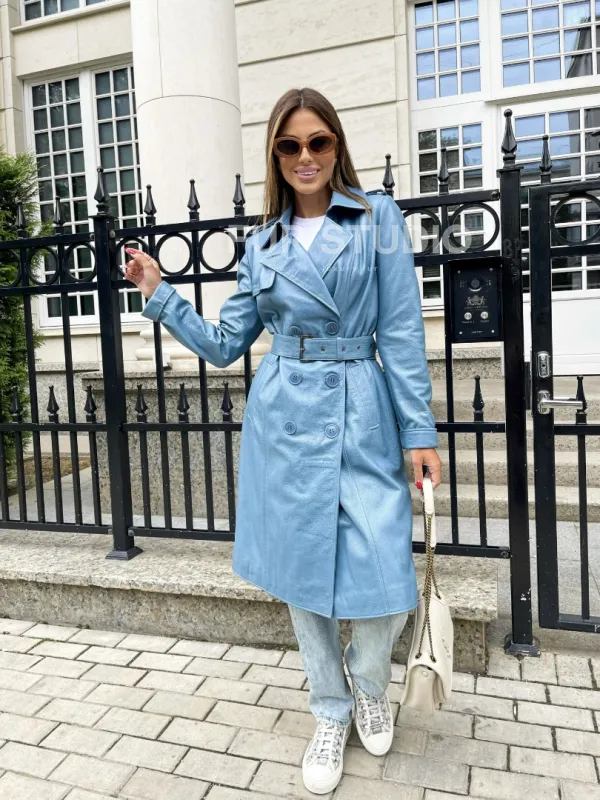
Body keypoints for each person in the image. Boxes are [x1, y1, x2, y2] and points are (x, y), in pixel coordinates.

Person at [125, 87, 441, 796]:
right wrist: (160, 292)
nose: (305, 156)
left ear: (336, 146)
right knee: (304, 577)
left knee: (387, 575)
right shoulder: (262, 244)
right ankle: (330, 708)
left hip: (362, 407)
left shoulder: (377, 218)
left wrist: (419, 430)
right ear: (275, 153)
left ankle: (369, 686)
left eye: (318, 142)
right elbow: (224, 343)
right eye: (290, 145)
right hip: (286, 416)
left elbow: (400, 330)